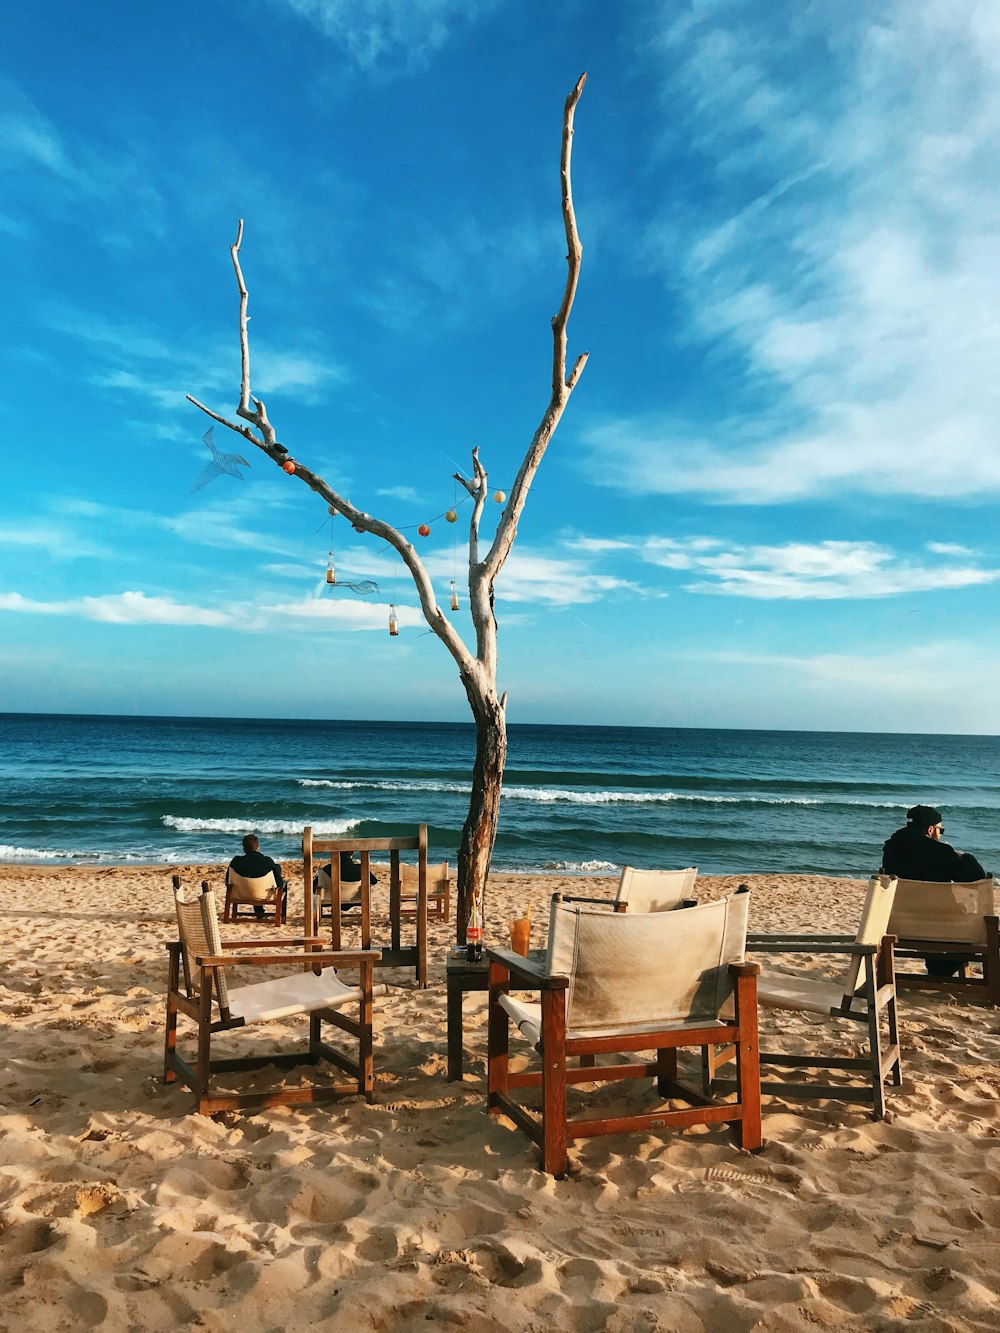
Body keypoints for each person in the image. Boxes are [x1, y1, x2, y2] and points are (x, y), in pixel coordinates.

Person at [881, 804, 986, 978]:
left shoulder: (890, 851)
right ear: (930, 830)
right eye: (940, 830)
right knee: (983, 933)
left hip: (899, 924)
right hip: (940, 925)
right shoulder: (940, 852)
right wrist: (963, 856)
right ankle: (939, 968)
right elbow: (976, 878)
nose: (940, 834)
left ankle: (936, 964)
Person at [227, 833, 286, 922]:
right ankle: (271, 915)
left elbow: (227, 881)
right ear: (258, 847)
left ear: (243, 848)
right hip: (264, 895)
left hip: (240, 894)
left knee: (252, 880)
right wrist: (280, 884)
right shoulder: (267, 861)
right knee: (274, 873)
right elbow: (279, 882)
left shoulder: (235, 862)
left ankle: (259, 912)